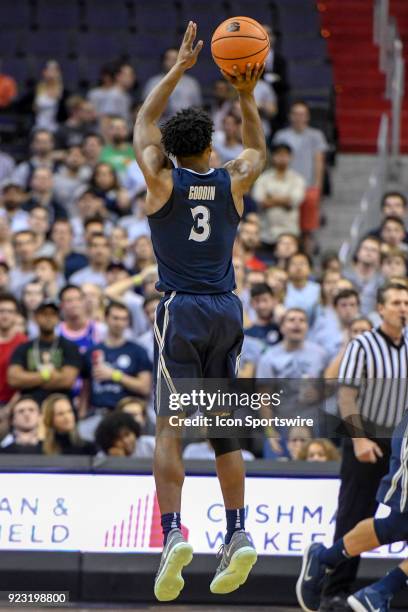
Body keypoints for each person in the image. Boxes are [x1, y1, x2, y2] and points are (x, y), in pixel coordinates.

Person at [133, 22, 266, 601]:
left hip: (180, 309)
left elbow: (142, 123)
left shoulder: (161, 182)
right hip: (225, 311)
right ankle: (236, 533)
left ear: (171, 151)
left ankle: (171, 534)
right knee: (224, 431)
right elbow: (257, 148)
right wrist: (244, 92)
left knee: (171, 425)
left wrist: (180, 68)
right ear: (213, 147)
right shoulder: (234, 179)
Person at [316, 282, 408, 612]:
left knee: (399, 520)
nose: (403, 308)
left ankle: (379, 591)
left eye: (407, 302)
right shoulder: (363, 344)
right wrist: (357, 439)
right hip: (366, 435)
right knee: (356, 513)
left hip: (401, 442)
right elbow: (346, 395)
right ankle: (333, 590)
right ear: (380, 309)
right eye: (396, 302)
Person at [297, 409, 408, 612]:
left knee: (400, 524)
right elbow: (345, 393)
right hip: (376, 434)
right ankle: (379, 590)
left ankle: (327, 560)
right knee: (399, 523)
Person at [82, 301, 152, 413]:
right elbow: (85, 389)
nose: (120, 323)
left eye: (124, 319)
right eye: (115, 318)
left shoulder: (138, 351)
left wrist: (114, 375)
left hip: (128, 413)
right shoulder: (91, 352)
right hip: (98, 413)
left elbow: (145, 387)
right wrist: (82, 414)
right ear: (106, 318)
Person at [7, 300, 82, 405]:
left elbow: (67, 381)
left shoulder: (69, 347)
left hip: (61, 406)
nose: (48, 318)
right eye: (44, 314)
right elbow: (14, 379)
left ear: (58, 318)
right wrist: (47, 375)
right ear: (35, 318)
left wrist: (28, 379)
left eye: (53, 314)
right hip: (31, 407)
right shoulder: (23, 348)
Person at [274, 101, 328, 239]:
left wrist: (317, 187)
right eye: (295, 114)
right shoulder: (281, 135)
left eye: (302, 114)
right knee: (287, 227)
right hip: (285, 188)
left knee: (307, 229)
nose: (298, 117)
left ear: (307, 117)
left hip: (308, 186)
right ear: (290, 116)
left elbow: (319, 162)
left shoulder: (316, 136)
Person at [252, 143, 305, 251]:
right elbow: (260, 200)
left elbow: (293, 200)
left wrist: (271, 198)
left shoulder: (297, 179)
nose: (282, 158)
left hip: (290, 232)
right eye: (279, 155)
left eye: (285, 155)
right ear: (273, 157)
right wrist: (284, 199)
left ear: (291, 157)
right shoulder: (263, 178)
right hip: (266, 233)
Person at [142, 45, 202, 122]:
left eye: (175, 59)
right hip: (159, 129)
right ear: (163, 61)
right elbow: (144, 111)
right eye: (169, 59)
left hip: (186, 128)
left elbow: (198, 109)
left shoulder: (192, 83)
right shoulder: (153, 82)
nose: (172, 62)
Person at [343, 236, 383, 315]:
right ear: (358, 252)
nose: (369, 252)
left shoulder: (382, 280)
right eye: (366, 249)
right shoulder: (344, 276)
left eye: (373, 250)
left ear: (379, 256)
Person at [0, 294, 27, 406]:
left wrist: (9, 409)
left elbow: (26, 381)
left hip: (14, 404)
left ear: (16, 315)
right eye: (1, 311)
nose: (5, 316)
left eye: (10, 312)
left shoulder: (24, 343)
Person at [284, 252, 320, 323]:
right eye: (294, 264)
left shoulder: (318, 289)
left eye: (302, 264)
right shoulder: (282, 289)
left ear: (310, 269)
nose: (298, 267)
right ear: (287, 269)